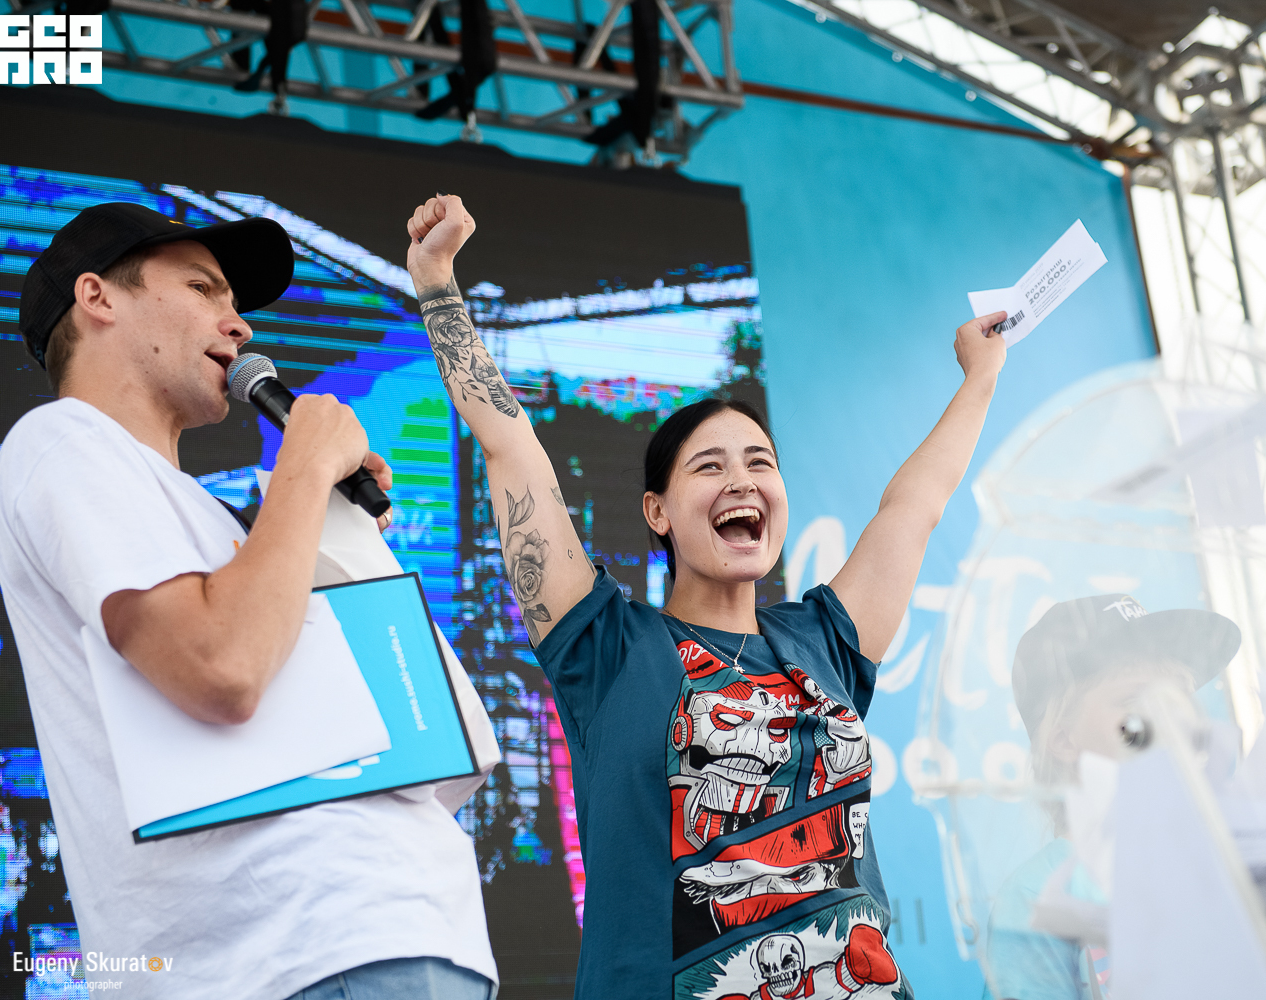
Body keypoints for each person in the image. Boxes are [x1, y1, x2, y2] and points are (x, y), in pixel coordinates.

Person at [405, 193, 1010, 1000]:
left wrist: (982, 375)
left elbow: (915, 507)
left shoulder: (824, 642)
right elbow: (512, 447)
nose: (743, 480)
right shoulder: (607, 648)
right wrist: (437, 284)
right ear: (657, 512)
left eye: (760, 462)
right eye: (710, 466)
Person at [0, 203, 498, 1000]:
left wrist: (329, 523)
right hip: (294, 955)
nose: (239, 326)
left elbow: (416, 741)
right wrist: (304, 466)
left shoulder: (218, 519)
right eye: (204, 289)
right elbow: (221, 665)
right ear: (97, 297)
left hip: (404, 932)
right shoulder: (59, 442)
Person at [985, 593, 1240, 1000]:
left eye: (1178, 695)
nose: (1170, 720)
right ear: (1064, 740)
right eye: (1136, 702)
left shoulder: (1228, 867)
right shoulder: (1034, 899)